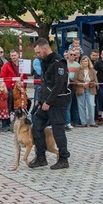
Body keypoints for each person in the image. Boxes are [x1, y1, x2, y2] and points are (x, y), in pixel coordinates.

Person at [30, 39, 72, 169]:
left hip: (56, 102)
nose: (37, 55)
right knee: (36, 127)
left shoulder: (58, 62)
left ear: (45, 49)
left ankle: (63, 159)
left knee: (58, 130)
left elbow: (59, 85)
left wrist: (48, 101)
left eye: (38, 52)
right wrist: (40, 99)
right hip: (44, 102)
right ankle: (41, 157)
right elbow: (45, 82)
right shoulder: (45, 62)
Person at [74, 56, 98, 128]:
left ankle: (92, 122)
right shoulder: (78, 70)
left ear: (88, 62)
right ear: (81, 62)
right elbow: (75, 80)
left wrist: (90, 84)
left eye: (86, 61)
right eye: (83, 61)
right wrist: (82, 84)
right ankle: (83, 122)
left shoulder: (92, 70)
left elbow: (95, 81)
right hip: (81, 89)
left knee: (91, 105)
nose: (85, 62)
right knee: (81, 105)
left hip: (90, 89)